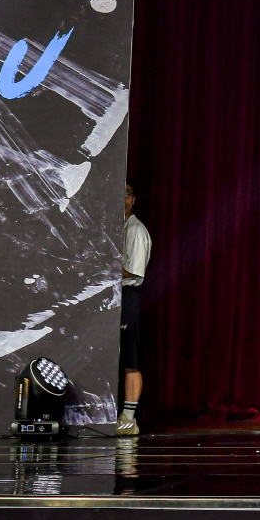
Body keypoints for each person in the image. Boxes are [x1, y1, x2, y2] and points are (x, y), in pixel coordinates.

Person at [119, 182, 151, 437]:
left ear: (134, 199)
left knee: (130, 359)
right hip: (111, 297)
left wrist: (102, 269)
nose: (123, 198)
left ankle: (129, 418)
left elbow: (135, 272)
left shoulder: (136, 230)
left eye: (127, 194)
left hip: (127, 296)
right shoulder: (114, 227)